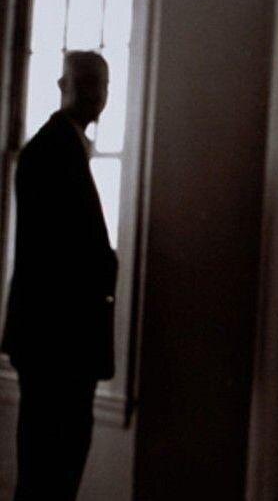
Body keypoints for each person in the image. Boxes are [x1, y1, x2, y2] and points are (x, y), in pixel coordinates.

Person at [1, 50, 117, 500]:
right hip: (58, 345)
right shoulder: (50, 152)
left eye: (101, 85)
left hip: (57, 345)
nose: (94, 95)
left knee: (52, 471)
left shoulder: (61, 149)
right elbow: (58, 259)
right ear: (62, 86)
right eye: (84, 83)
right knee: (50, 472)